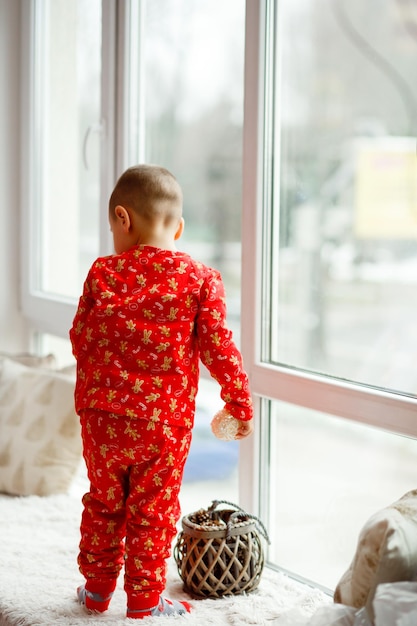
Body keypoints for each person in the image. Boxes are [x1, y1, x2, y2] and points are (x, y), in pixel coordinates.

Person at [69, 164, 253, 619]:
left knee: (103, 503)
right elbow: (219, 347)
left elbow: (80, 337)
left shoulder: (102, 273)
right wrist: (239, 400)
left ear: (122, 218)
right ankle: (145, 604)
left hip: (102, 419)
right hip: (162, 426)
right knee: (153, 512)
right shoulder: (200, 280)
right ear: (180, 227)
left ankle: (95, 593)